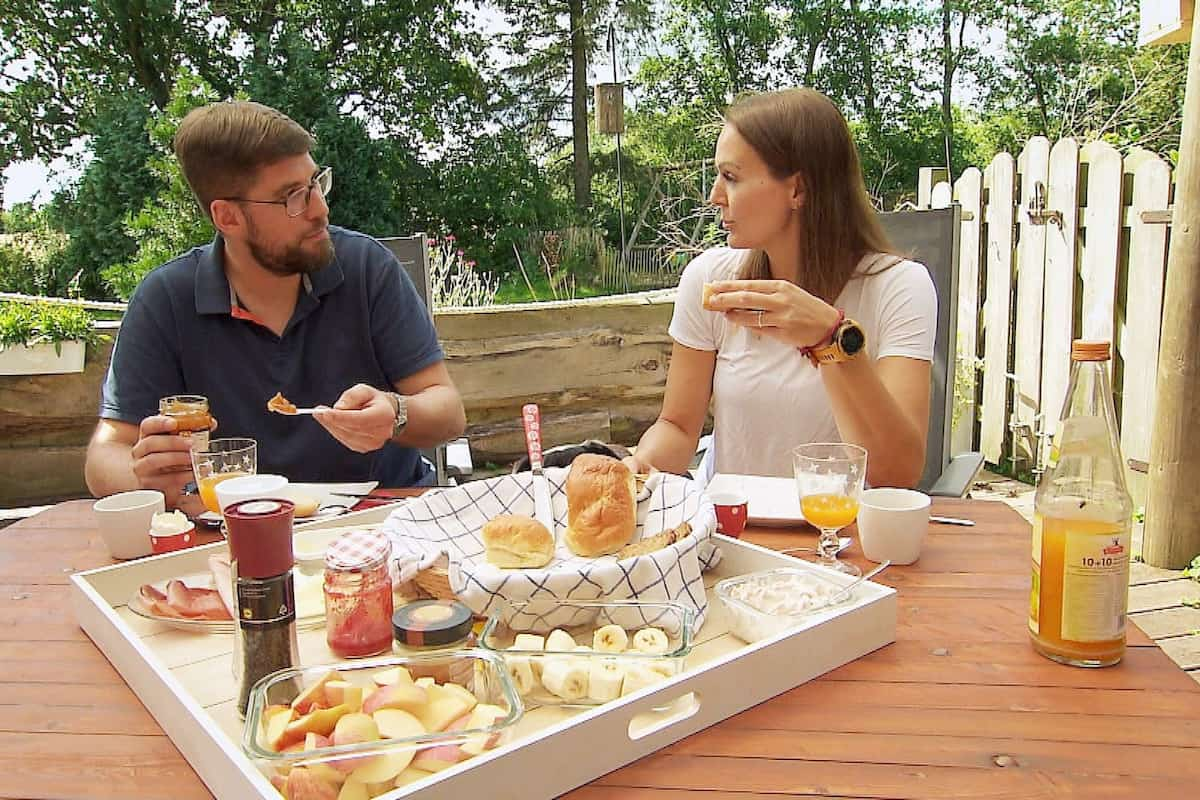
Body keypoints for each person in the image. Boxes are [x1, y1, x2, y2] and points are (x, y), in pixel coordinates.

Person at [84, 101, 466, 515]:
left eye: (316, 183)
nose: (319, 208)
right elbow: (104, 457)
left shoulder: (367, 268)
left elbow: (447, 411)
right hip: (240, 530)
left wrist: (397, 413)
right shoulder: (166, 300)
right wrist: (143, 475)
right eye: (292, 198)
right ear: (228, 216)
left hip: (383, 518)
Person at [624, 88, 936, 488]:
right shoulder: (712, 281)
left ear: (798, 190)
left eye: (731, 177)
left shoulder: (899, 287)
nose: (714, 196)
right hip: (728, 530)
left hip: (838, 535)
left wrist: (832, 340)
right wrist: (638, 465)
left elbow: (898, 476)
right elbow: (679, 428)